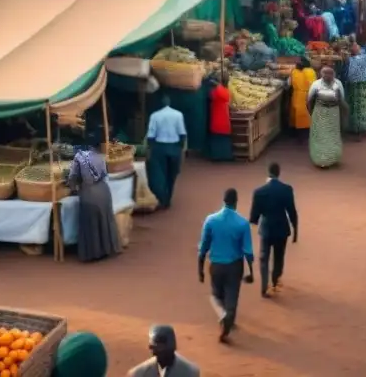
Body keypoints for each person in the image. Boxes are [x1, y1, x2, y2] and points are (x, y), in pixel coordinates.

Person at [198, 188, 254, 343]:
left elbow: (203, 247)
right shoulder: (242, 223)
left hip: (216, 264)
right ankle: (228, 319)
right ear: (236, 203)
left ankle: (223, 316)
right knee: (232, 294)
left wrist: (200, 269)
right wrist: (251, 272)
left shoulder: (211, 220)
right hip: (235, 265)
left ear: (223, 201)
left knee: (216, 295)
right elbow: (248, 251)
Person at [67, 138, 122, 262]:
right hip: (104, 191)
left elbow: (72, 177)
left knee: (90, 223)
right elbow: (104, 173)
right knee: (104, 220)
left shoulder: (79, 157)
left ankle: (92, 253)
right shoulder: (101, 157)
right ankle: (106, 249)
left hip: (89, 192)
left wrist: (72, 188)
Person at [250, 162, 299, 298]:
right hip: (282, 229)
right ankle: (275, 280)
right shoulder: (287, 189)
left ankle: (264, 286)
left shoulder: (259, 192)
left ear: (268, 173)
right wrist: (295, 231)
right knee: (279, 257)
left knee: (264, 257)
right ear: (279, 173)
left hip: (266, 229)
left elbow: (253, 217)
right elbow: (292, 212)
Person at [146, 95, 187, 209]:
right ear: (169, 103)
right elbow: (182, 134)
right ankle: (168, 197)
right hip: (174, 147)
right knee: (172, 174)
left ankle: (162, 198)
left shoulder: (154, 115)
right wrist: (181, 150)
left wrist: (149, 149)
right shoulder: (178, 115)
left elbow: (151, 135)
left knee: (159, 174)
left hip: (159, 147)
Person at [306, 65, 346, 169]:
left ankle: (333, 158)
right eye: (325, 73)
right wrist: (312, 113)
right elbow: (309, 101)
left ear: (334, 74)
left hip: (334, 113)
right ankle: (321, 160)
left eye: (330, 73)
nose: (328, 76)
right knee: (321, 137)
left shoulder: (338, 84)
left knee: (332, 136)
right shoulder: (316, 84)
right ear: (321, 74)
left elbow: (341, 100)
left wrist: (342, 115)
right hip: (320, 113)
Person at [126, 325, 200, 377]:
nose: (155, 352)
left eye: (159, 347)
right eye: (152, 347)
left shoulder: (190, 372)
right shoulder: (140, 373)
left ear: (170, 346)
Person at [345, 43, 366, 136]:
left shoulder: (349, 60)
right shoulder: (365, 57)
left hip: (354, 86)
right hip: (365, 85)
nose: (358, 47)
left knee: (355, 105)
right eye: (357, 46)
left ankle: (355, 127)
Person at [288, 56, 317, 140]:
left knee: (296, 115)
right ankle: (307, 134)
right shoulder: (311, 71)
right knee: (307, 115)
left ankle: (297, 134)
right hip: (308, 95)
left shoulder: (294, 72)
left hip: (297, 96)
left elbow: (288, 84)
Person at [207, 76, 234, 162]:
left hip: (216, 119)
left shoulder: (216, 92)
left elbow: (213, 94)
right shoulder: (225, 92)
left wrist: (217, 85)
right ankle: (225, 156)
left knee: (217, 140)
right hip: (223, 119)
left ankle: (216, 156)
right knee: (224, 140)